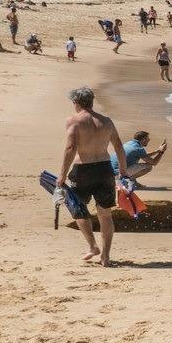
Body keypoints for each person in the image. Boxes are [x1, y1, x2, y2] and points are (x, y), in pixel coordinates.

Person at [58, 85, 128, 266]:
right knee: (105, 214)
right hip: (105, 169)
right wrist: (123, 171)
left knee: (78, 209)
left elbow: (71, 148)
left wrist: (62, 176)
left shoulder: (74, 121)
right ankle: (105, 256)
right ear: (92, 101)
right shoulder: (107, 121)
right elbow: (119, 147)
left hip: (83, 170)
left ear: (76, 102)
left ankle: (92, 246)